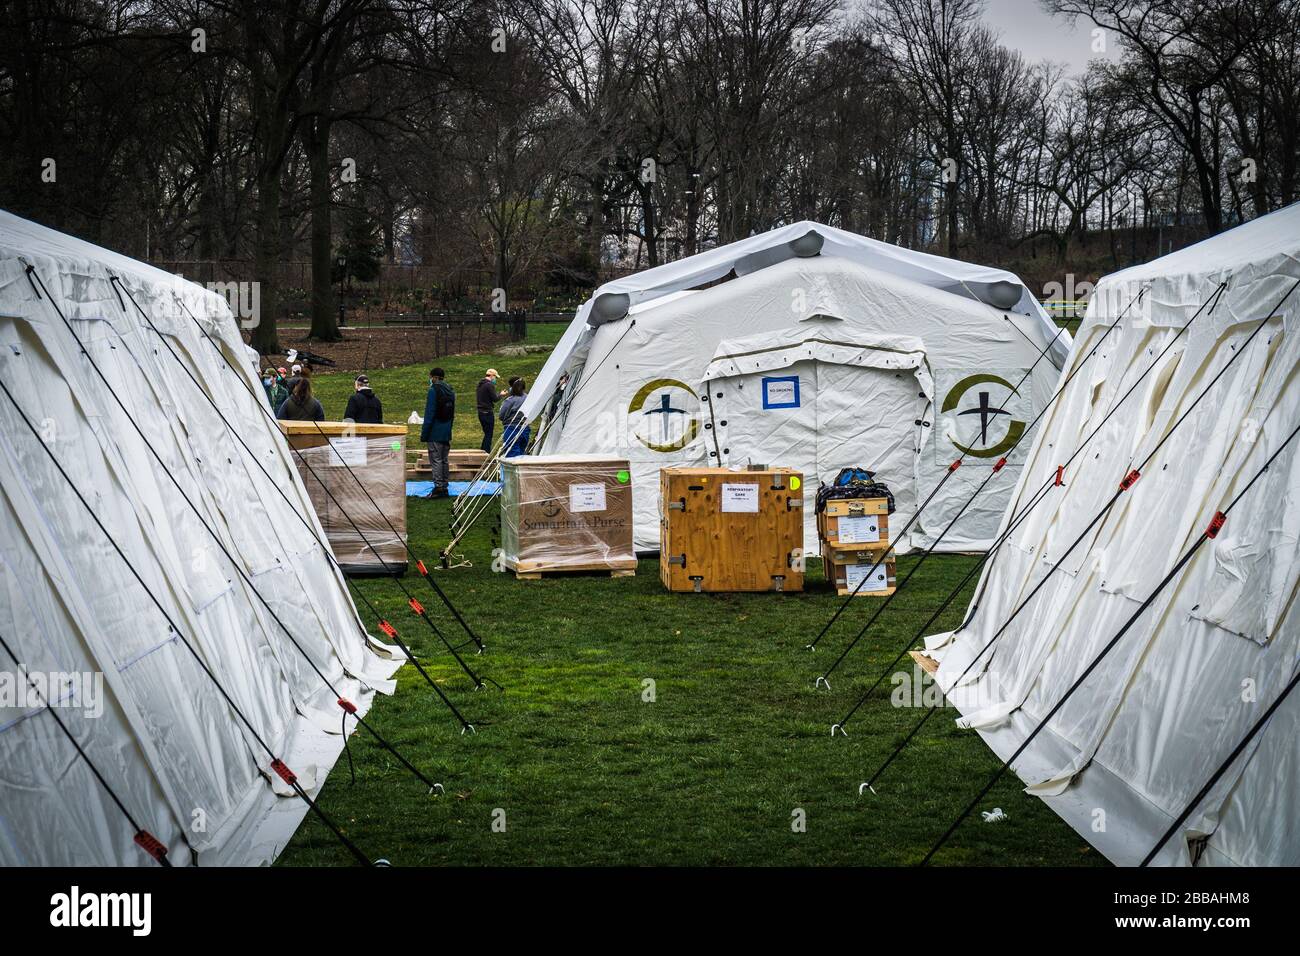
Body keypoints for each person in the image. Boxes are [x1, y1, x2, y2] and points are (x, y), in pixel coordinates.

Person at [420, 367, 455, 497]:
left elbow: (430, 413)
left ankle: (438, 487)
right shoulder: (450, 390)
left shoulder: (433, 390)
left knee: (436, 460)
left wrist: (425, 433)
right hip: (446, 431)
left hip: (435, 431)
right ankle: (444, 485)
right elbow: (452, 413)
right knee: (444, 459)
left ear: (433, 377)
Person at [499, 377, 530, 457]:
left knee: (512, 454)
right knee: (521, 452)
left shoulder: (510, 400)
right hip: (525, 428)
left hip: (511, 429)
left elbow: (501, 415)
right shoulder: (528, 398)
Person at [475, 368, 503, 452]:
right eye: (495, 377)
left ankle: (483, 451)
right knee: (489, 435)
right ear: (492, 376)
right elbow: (495, 399)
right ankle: (486, 452)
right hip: (487, 412)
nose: (495, 380)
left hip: (480, 412)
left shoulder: (480, 384)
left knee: (486, 434)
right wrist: (501, 394)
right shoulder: (489, 385)